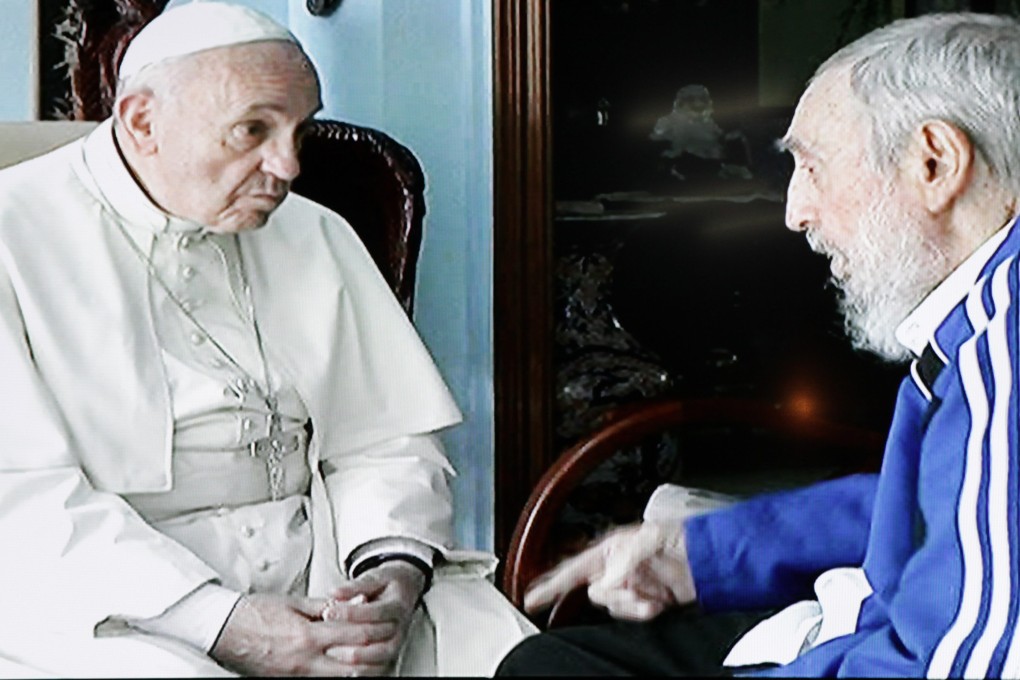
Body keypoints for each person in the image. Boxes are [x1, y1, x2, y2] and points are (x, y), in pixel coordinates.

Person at [0, 2, 533, 677]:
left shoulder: (315, 232)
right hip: (110, 600)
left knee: (513, 655)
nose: (287, 166)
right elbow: (18, 502)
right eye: (252, 130)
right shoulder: (10, 236)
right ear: (142, 122)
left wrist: (390, 574)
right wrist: (221, 623)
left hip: (328, 569)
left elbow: (386, 439)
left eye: (297, 131)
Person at [496, 11, 1020, 677]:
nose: (794, 211)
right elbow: (936, 508)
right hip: (863, 624)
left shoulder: (1007, 341)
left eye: (813, 166)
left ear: (934, 163)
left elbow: (964, 665)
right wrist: (703, 553)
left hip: (880, 649)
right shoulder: (982, 311)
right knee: (553, 659)